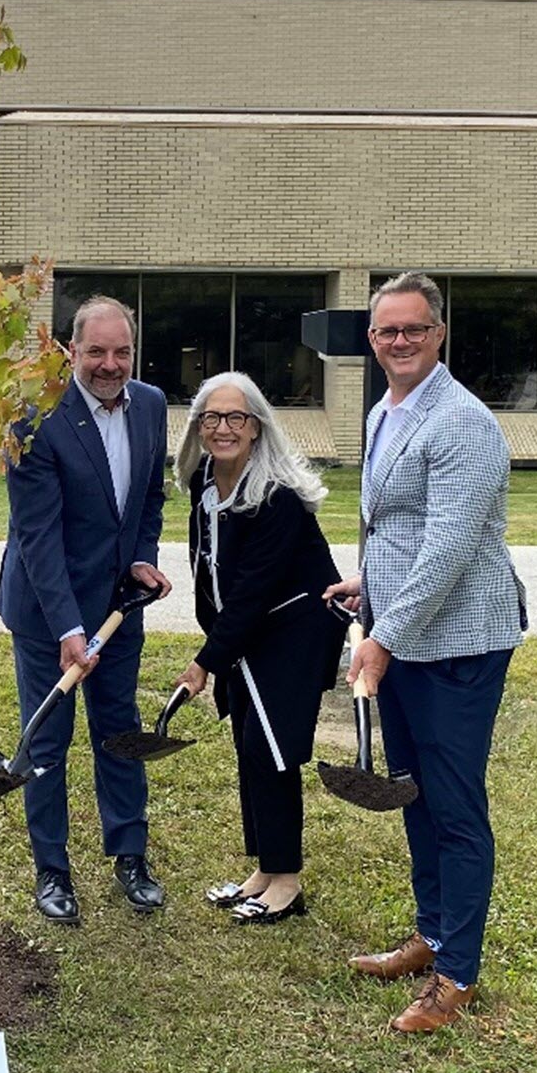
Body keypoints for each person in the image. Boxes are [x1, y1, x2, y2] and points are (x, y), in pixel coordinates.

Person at [325, 272, 527, 1034]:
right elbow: (397, 526)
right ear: (372, 339)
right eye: (387, 330)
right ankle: (433, 935)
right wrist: (369, 585)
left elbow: (448, 549)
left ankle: (457, 974)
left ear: (439, 334)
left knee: (455, 806)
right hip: (408, 634)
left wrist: (381, 639)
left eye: (414, 328)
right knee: (415, 794)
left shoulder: (463, 422)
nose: (400, 341)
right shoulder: (387, 411)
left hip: (458, 644)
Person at [0, 294, 173, 923]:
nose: (110, 364)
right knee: (47, 739)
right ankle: (52, 870)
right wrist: (69, 628)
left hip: (119, 608)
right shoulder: (34, 419)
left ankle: (130, 855)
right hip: (48, 614)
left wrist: (142, 558)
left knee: (120, 731)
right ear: (71, 351)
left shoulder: (151, 405)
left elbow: (149, 498)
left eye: (121, 351)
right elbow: (37, 535)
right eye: (96, 351)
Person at [171, 371, 344, 925]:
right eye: (212, 417)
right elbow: (207, 569)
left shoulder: (277, 497)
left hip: (294, 628)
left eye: (236, 417)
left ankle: (287, 881)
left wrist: (206, 661)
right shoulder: (204, 482)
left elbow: (254, 590)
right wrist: (217, 642)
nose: (223, 428)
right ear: (198, 426)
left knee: (272, 748)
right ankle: (266, 870)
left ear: (256, 427)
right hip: (251, 630)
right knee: (250, 744)